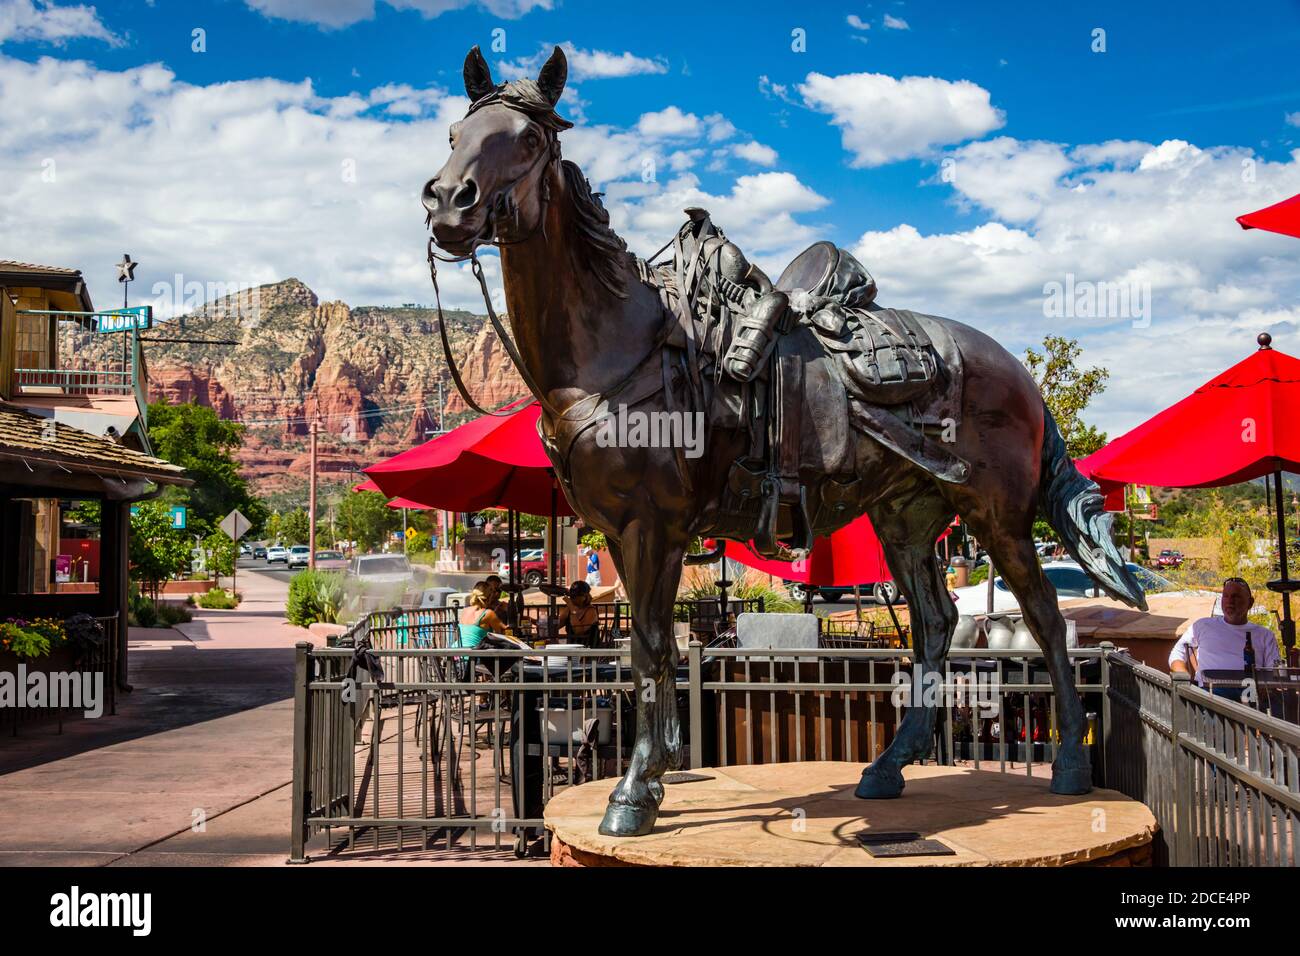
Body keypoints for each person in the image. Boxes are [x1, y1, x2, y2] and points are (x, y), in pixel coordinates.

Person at [1169, 577, 1281, 701]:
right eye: (1225, 596)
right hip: (1210, 694)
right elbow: (1177, 653)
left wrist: (1266, 689)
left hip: (1250, 694)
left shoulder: (1265, 635)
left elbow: (1273, 673)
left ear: (1250, 603)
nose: (1230, 601)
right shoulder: (1202, 625)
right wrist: (1183, 677)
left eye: (1236, 596)